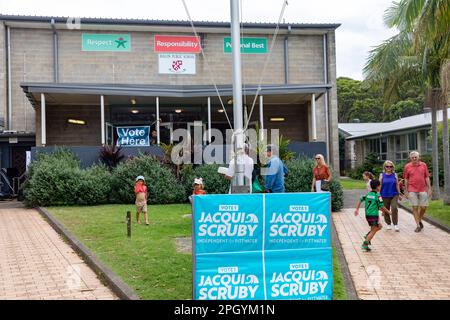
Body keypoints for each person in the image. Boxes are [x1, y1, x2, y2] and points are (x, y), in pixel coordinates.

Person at [354, 179, 391, 252]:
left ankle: (367, 238)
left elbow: (361, 199)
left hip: (368, 215)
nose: (380, 187)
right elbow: (382, 206)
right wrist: (388, 212)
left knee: (378, 227)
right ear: (377, 187)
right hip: (374, 215)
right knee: (374, 230)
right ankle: (365, 243)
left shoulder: (368, 194)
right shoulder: (378, 196)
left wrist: (357, 209)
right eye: (380, 185)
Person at [403, 151, 432, 233]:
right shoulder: (407, 166)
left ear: (419, 157)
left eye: (416, 157)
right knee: (415, 207)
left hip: (422, 189)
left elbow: (426, 177)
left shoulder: (423, 165)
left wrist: (429, 188)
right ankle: (418, 225)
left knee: (423, 207)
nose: (414, 159)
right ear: (410, 158)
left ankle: (419, 220)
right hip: (412, 189)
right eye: (412, 157)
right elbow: (406, 179)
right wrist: (405, 190)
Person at [379, 160, 401, 231]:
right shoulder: (382, 175)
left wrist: (399, 193)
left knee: (394, 208)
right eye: (387, 166)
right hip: (384, 194)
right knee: (386, 209)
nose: (389, 168)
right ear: (384, 167)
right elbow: (380, 186)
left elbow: (397, 184)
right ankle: (388, 223)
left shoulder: (395, 174)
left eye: (390, 166)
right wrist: (378, 195)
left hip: (394, 194)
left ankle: (395, 224)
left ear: (392, 167)